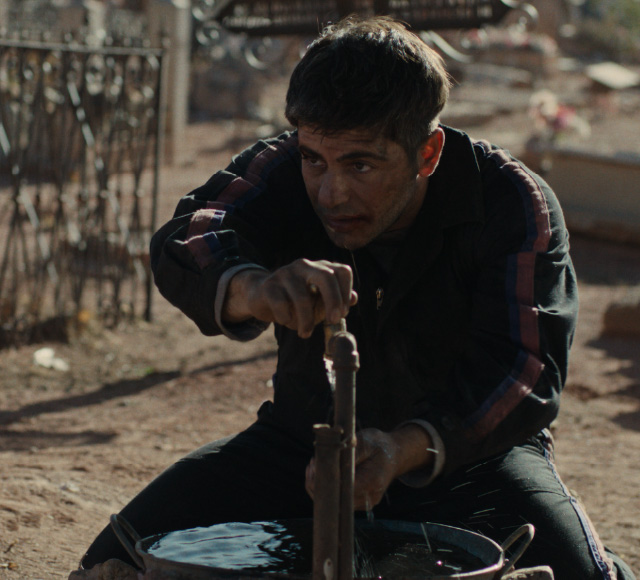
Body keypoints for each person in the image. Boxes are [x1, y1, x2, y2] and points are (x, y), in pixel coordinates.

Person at [79, 16, 635, 579]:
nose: (331, 192)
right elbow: (190, 234)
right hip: (301, 452)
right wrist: (254, 288)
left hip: (471, 462)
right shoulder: (284, 165)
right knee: (118, 559)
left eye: (361, 164)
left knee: (579, 575)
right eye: (315, 160)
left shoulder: (510, 201)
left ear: (427, 153)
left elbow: (525, 369)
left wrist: (403, 447)